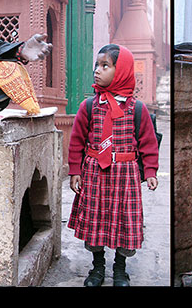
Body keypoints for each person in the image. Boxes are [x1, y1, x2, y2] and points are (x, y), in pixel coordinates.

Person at [67, 44, 159, 287]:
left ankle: (120, 269)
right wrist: (75, 171)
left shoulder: (137, 109)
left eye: (105, 65)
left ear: (121, 71)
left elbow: (148, 143)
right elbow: (76, 141)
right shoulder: (89, 106)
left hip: (125, 175)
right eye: (97, 65)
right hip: (95, 173)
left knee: (124, 222)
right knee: (95, 221)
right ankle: (97, 267)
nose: (97, 70)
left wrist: (150, 171)